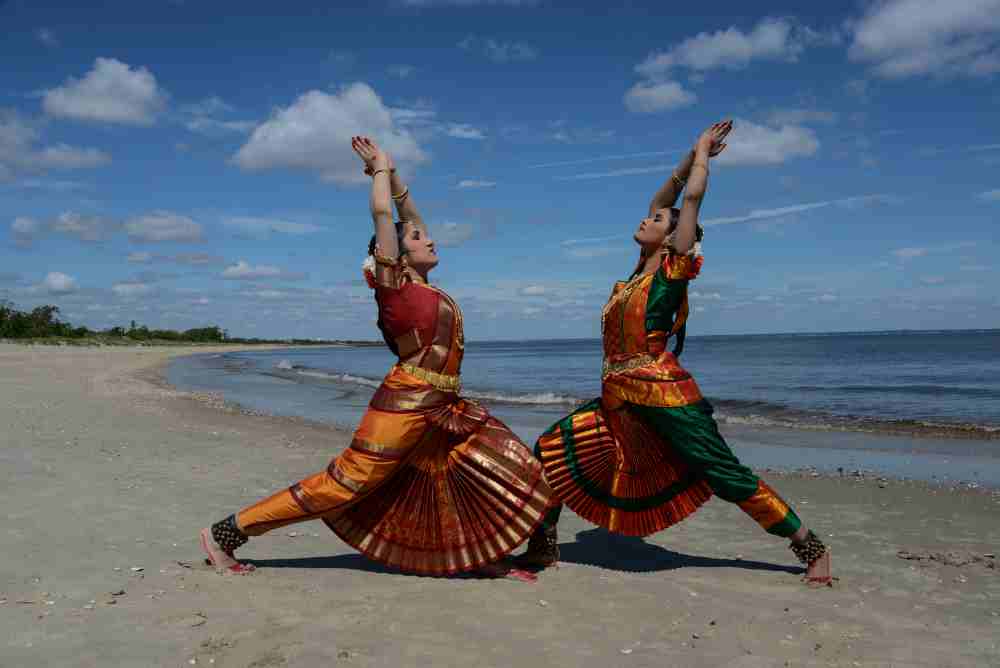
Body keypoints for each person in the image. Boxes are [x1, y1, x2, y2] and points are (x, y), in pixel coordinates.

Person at [199, 136, 552, 579]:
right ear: (396, 256)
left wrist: (394, 173)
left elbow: (405, 213)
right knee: (344, 485)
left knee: (488, 469)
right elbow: (385, 215)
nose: (430, 237)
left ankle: (481, 556)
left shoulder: (424, 287)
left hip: (444, 407)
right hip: (405, 406)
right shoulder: (393, 287)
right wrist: (379, 170)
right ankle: (226, 533)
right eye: (419, 238)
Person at [517, 121, 832, 585]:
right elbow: (665, 195)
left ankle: (811, 547)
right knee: (550, 450)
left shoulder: (672, 270)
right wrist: (688, 155)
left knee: (724, 474)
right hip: (619, 396)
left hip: (665, 393)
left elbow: (690, 201)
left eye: (660, 221)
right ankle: (542, 548)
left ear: (672, 239)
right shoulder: (634, 276)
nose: (650, 217)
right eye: (654, 215)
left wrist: (703, 155)